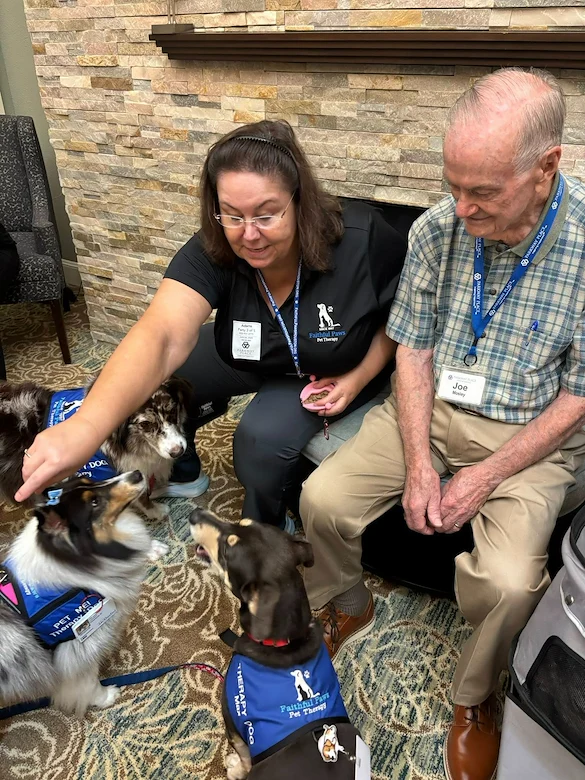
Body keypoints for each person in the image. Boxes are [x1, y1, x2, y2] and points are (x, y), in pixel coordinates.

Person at [299, 68, 585, 780]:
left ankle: (475, 696)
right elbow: (415, 347)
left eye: (482, 191)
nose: (460, 207)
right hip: (430, 407)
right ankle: (345, 602)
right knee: (321, 501)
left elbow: (578, 397)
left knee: (512, 583)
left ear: (547, 166)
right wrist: (422, 463)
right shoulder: (436, 227)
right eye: (452, 184)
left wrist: (483, 475)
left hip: (528, 435)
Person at [15, 120, 407, 532]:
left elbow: (405, 317)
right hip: (253, 353)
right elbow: (161, 335)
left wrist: (358, 378)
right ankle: (182, 469)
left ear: (299, 201)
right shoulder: (215, 246)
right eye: (232, 215)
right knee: (148, 379)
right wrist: (85, 427)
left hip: (329, 368)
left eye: (266, 215)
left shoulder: (363, 238)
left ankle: (268, 527)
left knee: (257, 441)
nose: (249, 235)